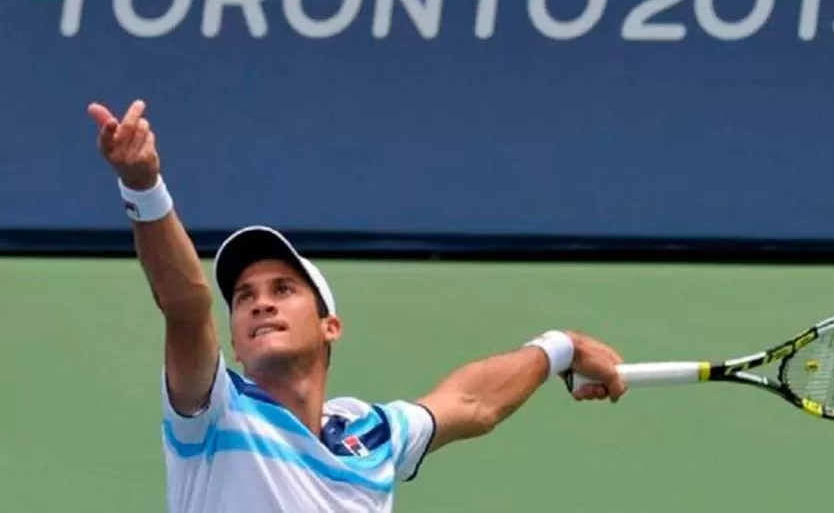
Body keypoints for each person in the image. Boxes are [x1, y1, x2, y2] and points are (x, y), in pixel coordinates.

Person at [87, 99, 629, 513]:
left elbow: (471, 402)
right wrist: (144, 185)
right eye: (245, 297)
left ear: (330, 326)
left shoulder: (368, 433)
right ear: (233, 341)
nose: (260, 305)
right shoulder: (213, 411)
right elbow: (185, 302)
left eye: (283, 290)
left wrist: (561, 348)